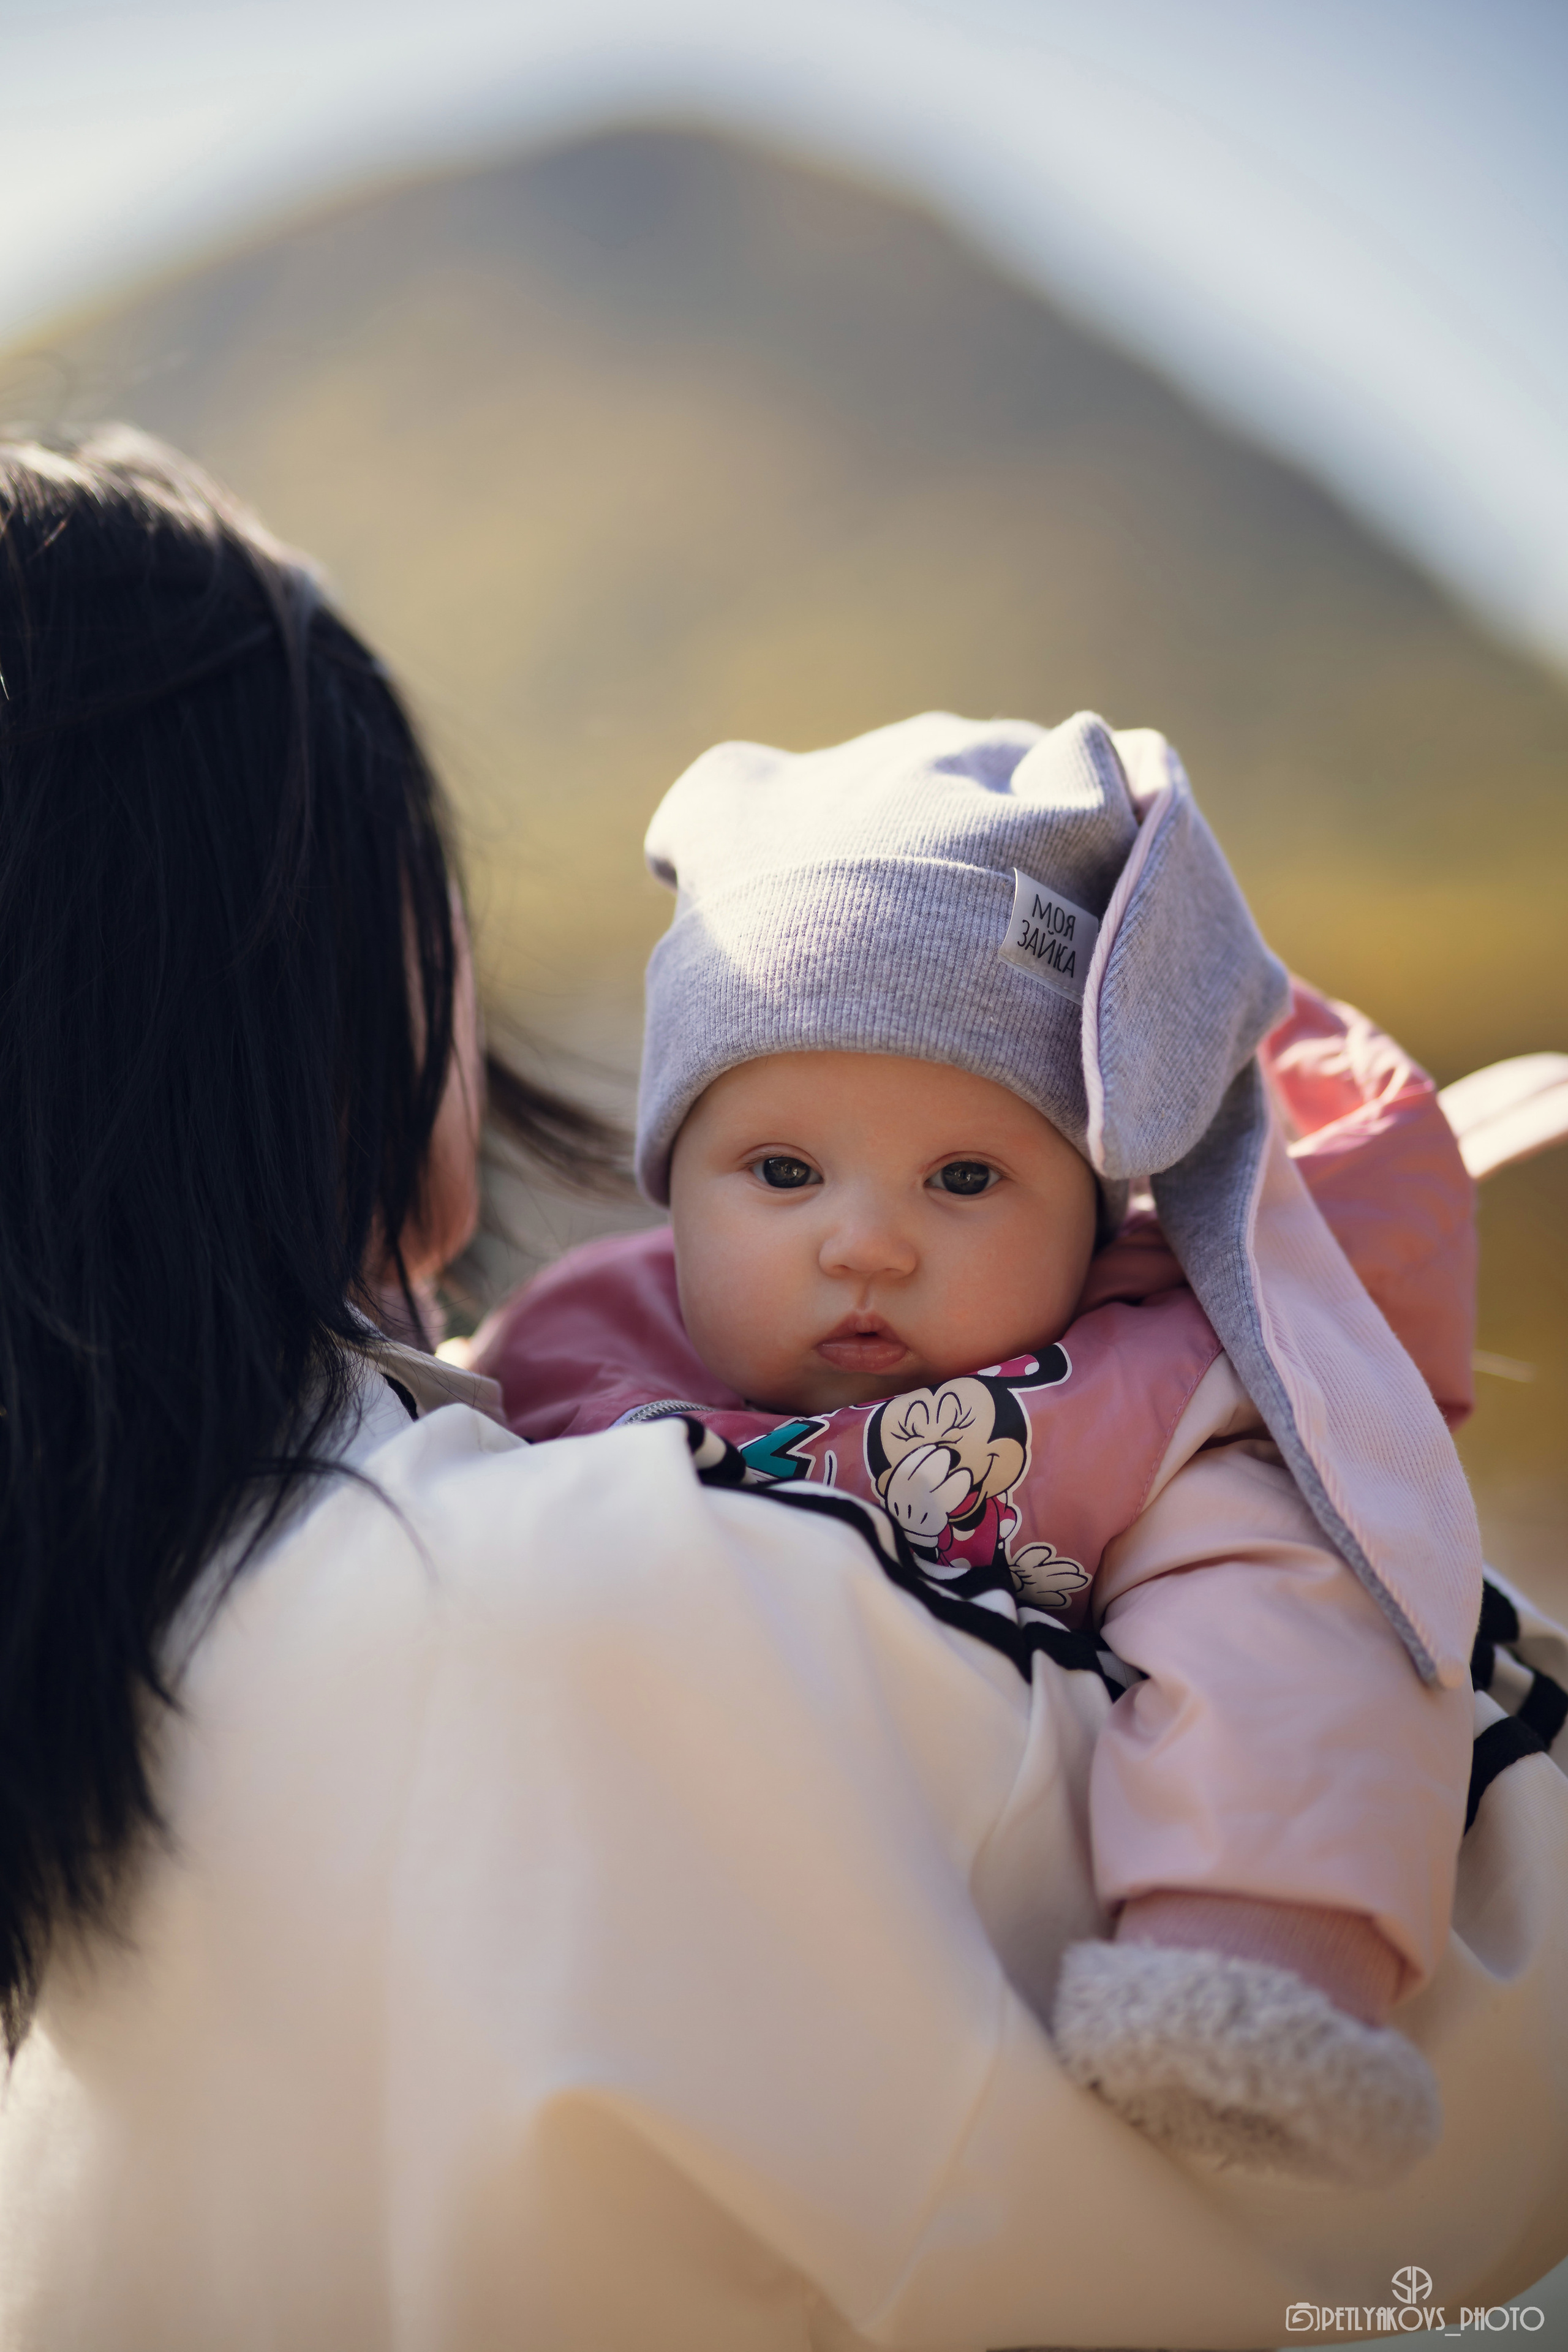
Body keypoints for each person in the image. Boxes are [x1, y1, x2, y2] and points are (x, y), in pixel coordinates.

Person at [3, 428, 1567, 2351]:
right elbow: (1441, 2159)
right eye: (431, 901)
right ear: (312, 988)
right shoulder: (618, 1605)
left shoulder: (105, 1625)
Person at [473, 710, 1478, 2183]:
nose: (866, 1242)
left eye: (964, 1177)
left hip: (978, 2083)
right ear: (671, 1186)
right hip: (637, 2027)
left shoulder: (1151, 1406)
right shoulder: (565, 1355)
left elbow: (1294, 1657)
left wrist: (1247, 1954)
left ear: (1093, 1209)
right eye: (781, 1170)